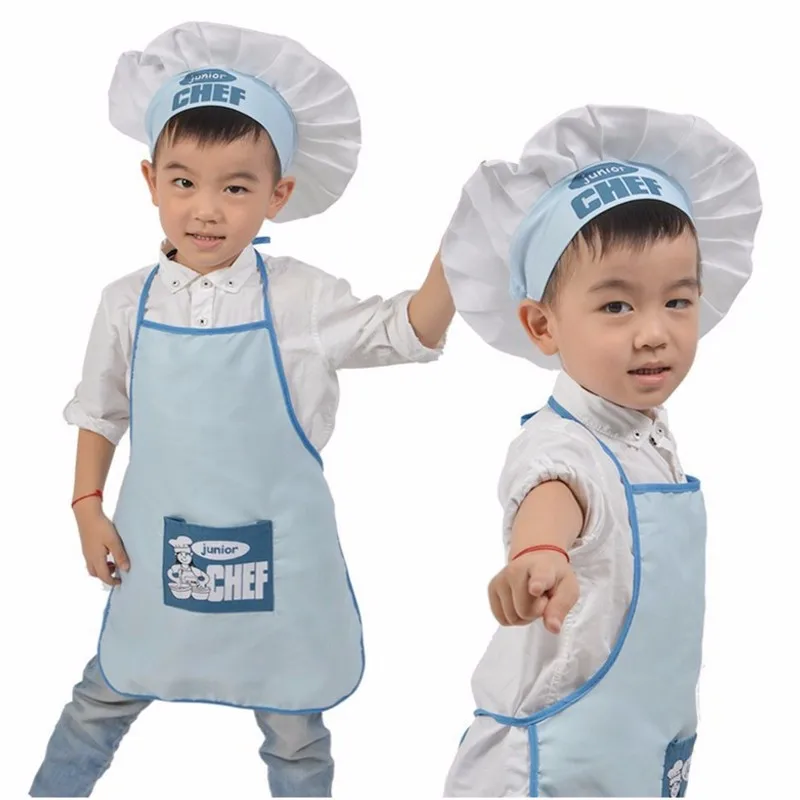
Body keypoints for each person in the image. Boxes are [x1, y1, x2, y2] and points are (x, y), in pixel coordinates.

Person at [30, 20, 454, 798]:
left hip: (277, 569)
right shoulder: (126, 303)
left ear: (277, 194)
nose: (205, 210)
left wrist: (459, 260)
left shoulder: (300, 299)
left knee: (294, 730)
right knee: (103, 698)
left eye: (236, 187)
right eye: (183, 182)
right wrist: (87, 506)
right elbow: (100, 410)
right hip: (157, 557)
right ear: (150, 179)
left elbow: (406, 330)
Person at [439, 105, 761, 796]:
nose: (654, 332)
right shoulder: (563, 442)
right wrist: (539, 554)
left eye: (678, 301)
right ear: (542, 324)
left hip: (640, 741)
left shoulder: (645, 433)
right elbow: (553, 492)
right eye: (617, 306)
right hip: (552, 762)